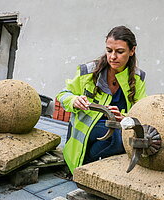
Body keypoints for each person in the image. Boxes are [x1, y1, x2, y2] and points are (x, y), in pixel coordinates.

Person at [56, 25, 147, 174]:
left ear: (132, 51)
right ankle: (87, 167)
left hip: (117, 128)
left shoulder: (138, 78)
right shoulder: (88, 71)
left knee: (121, 137)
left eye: (120, 52)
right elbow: (63, 94)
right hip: (87, 128)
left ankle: (89, 167)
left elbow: (142, 112)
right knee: (117, 137)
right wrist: (74, 100)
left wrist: (124, 117)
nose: (112, 57)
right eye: (109, 50)